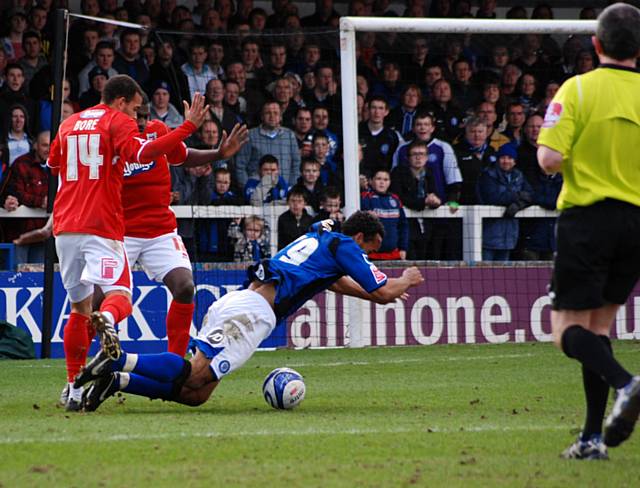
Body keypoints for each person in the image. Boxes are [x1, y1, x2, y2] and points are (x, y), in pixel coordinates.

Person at [74, 211, 424, 411]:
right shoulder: (345, 246)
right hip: (252, 313)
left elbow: (335, 283)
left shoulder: (322, 241)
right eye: (370, 250)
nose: (367, 257)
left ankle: (116, 380)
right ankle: (116, 361)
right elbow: (382, 292)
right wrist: (405, 279)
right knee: (194, 373)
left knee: (197, 394)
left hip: (240, 304)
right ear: (360, 237)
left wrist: (379, 292)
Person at [47, 75, 208, 411]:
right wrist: (188, 126)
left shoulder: (69, 122)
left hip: (65, 227)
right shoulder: (118, 121)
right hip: (102, 224)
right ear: (121, 101)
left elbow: (54, 166)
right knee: (119, 297)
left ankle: (73, 388)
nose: (137, 117)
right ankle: (107, 318)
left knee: (79, 308)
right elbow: (143, 151)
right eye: (136, 109)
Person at [537, 3, 640, 459]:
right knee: (598, 327)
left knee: (565, 332)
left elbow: (548, 159)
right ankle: (591, 438)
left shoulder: (576, 90)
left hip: (588, 220)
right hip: (636, 223)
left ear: (596, 45)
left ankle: (627, 383)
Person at [476, 143, 532, 261]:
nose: (506, 161)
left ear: (515, 161)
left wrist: (518, 205)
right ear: (497, 159)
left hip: (509, 236)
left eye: (510, 158)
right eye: (503, 157)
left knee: (503, 275)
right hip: (489, 233)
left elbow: (530, 195)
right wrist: (518, 196)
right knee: (485, 274)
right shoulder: (488, 175)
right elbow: (493, 197)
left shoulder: (519, 175)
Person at [361, 169, 408, 260]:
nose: (382, 182)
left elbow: (403, 226)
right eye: (379, 179)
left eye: (386, 180)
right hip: (371, 255)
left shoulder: (395, 199)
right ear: (371, 181)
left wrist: (403, 248)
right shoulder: (365, 198)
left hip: (393, 254)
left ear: (390, 182)